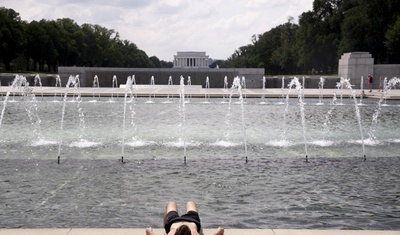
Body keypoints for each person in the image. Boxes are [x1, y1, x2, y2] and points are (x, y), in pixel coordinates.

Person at [146, 201, 224, 235]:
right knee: (190, 203)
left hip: (173, 220)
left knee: (171, 203)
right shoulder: (194, 234)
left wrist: (149, 231)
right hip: (191, 219)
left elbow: (150, 233)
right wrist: (219, 231)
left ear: (176, 232)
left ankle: (164, 226)